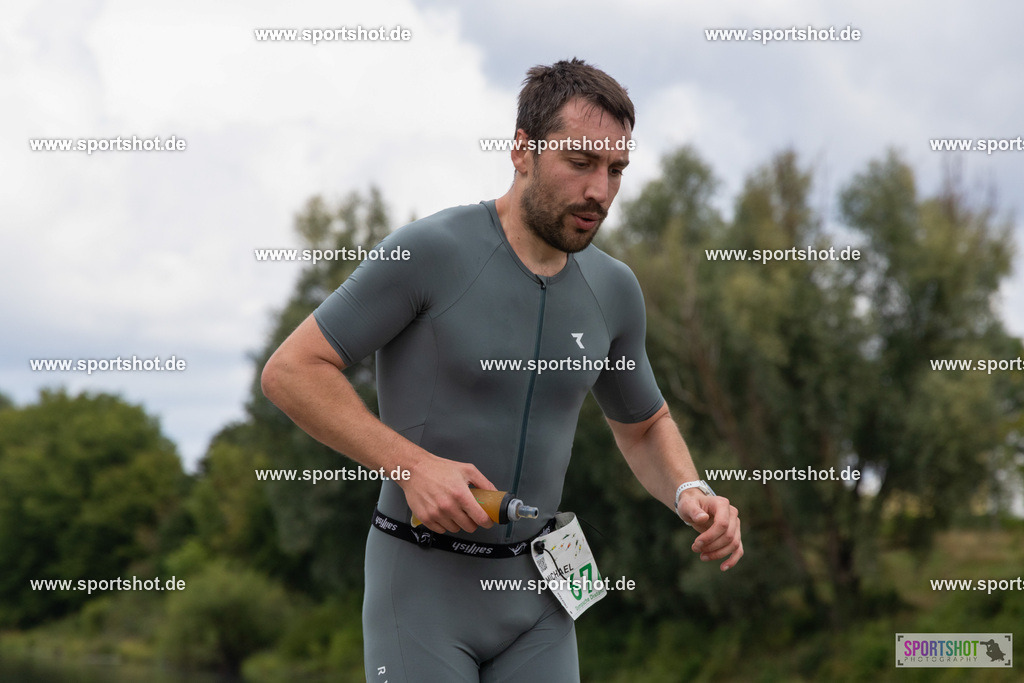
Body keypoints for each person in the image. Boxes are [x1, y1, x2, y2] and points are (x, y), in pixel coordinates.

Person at [261, 57, 743, 683]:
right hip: (421, 583)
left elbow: (644, 425)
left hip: (544, 592)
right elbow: (293, 370)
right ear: (522, 151)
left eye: (616, 169)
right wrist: (411, 466)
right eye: (580, 162)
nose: (600, 189)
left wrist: (692, 493)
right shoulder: (430, 253)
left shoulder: (614, 290)